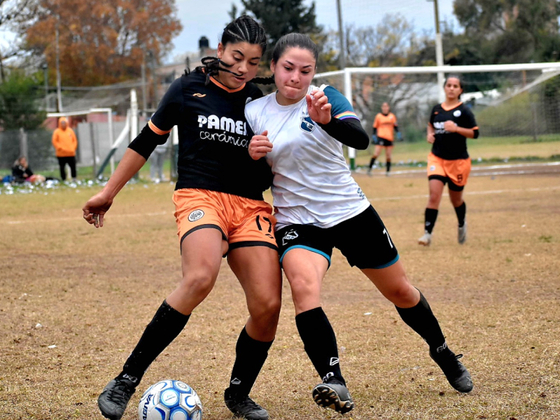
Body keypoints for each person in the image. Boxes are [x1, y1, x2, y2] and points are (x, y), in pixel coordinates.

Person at [246, 33, 473, 415]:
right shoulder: (255, 112)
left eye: (306, 70)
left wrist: (326, 121)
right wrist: (251, 157)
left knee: (400, 291)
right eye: (288, 68)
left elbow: (360, 139)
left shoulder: (326, 97)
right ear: (273, 67)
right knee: (304, 288)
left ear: (314, 72)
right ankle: (334, 380)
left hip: (350, 212)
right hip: (298, 219)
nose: (296, 77)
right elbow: (252, 180)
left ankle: (442, 351)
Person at [82, 16, 281, 420]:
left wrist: (264, 154)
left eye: (254, 62)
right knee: (199, 277)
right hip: (199, 195)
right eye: (237, 57)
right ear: (221, 49)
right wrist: (108, 192)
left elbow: (279, 164)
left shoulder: (262, 103)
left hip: (249, 206)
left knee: (268, 304)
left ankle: (239, 394)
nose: (243, 69)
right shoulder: (188, 88)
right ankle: (125, 380)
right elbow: (146, 140)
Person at [418, 75, 479, 246]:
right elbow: (430, 125)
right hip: (437, 158)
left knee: (456, 200)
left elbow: (475, 133)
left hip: (458, 162)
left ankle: (461, 224)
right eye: (449, 85)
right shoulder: (437, 109)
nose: (451, 88)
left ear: (460, 90)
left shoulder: (464, 111)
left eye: (455, 86)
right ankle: (427, 235)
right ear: (444, 88)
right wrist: (429, 134)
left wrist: (457, 128)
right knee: (434, 196)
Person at [367, 102, 401, 176]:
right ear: (382, 108)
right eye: (383, 106)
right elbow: (375, 127)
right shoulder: (378, 116)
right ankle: (369, 169)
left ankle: (388, 172)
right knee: (376, 153)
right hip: (381, 137)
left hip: (389, 138)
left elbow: (395, 126)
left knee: (388, 155)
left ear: (388, 107)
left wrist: (398, 134)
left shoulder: (392, 116)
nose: (385, 108)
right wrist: (373, 135)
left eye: (386, 106)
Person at [51, 116, 78, 181]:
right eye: (62, 123)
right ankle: (63, 179)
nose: (63, 124)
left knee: (73, 166)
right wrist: (60, 148)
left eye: (64, 123)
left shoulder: (70, 131)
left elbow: (74, 140)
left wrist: (73, 148)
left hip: (71, 153)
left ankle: (74, 178)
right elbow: (54, 141)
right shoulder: (57, 132)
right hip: (61, 154)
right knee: (62, 167)